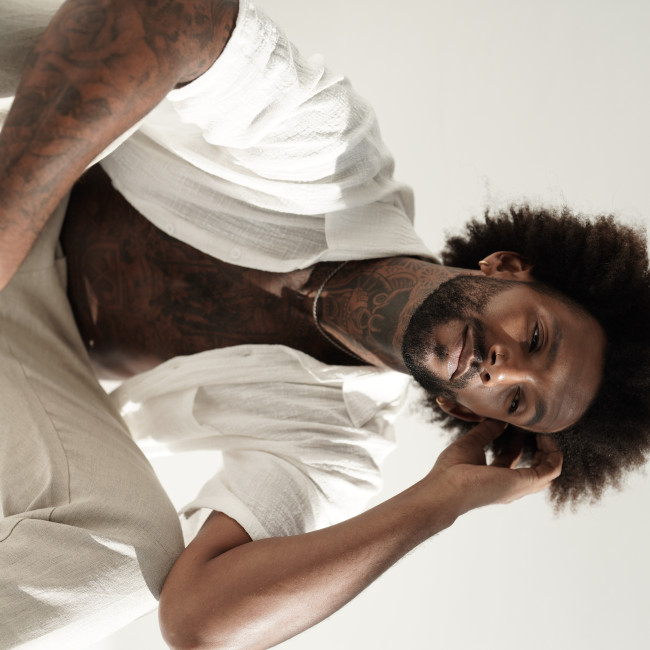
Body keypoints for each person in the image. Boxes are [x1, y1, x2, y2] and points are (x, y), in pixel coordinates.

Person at [1, 1, 648, 649]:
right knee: (97, 27)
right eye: (536, 339)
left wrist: (441, 500)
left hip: (29, 349)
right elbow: (173, 12)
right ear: (507, 268)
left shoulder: (338, 443)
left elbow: (198, 622)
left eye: (517, 401)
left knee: (118, 568)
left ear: (462, 408)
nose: (502, 370)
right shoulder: (335, 155)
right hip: (17, 155)